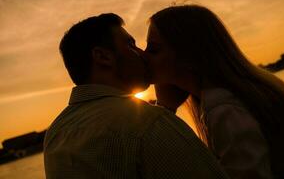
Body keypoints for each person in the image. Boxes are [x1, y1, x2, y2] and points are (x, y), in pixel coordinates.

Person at [43, 13, 229, 179]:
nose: (142, 53)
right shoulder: (148, 122)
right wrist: (164, 113)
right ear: (103, 57)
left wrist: (166, 108)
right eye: (130, 45)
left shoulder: (56, 134)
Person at [144, 5, 284, 179]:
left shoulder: (223, 109)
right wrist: (167, 107)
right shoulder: (226, 99)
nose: (143, 56)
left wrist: (166, 109)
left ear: (188, 56)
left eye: (153, 49)